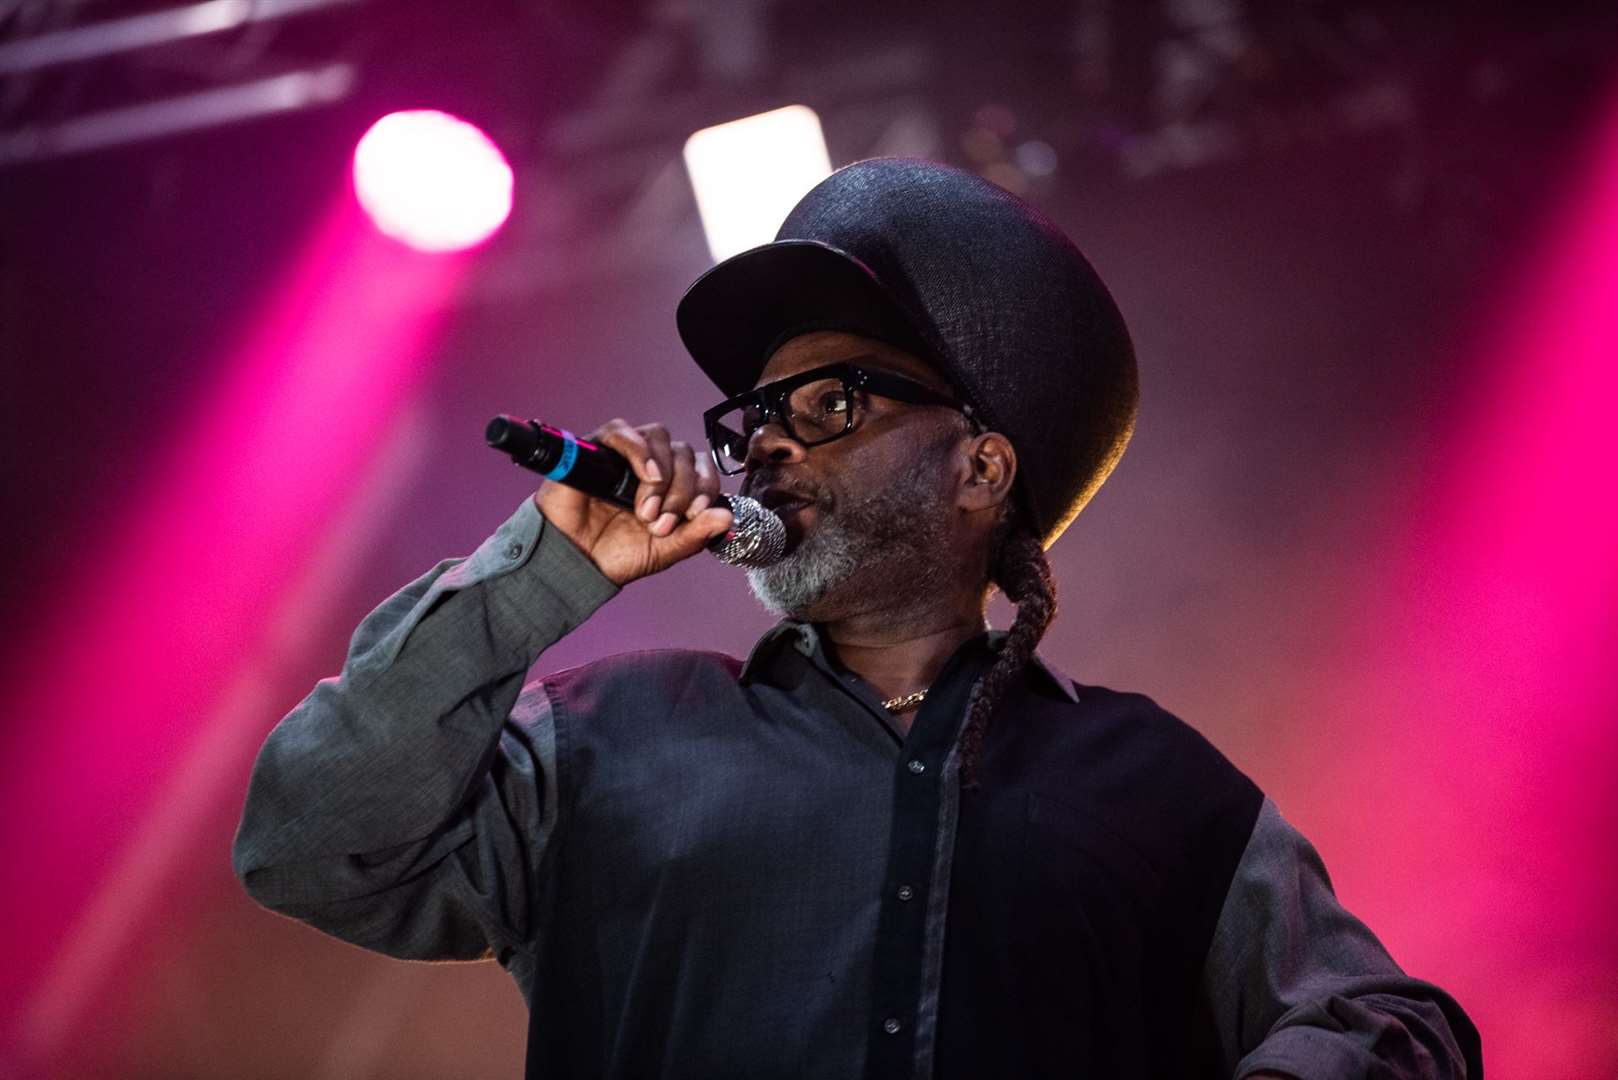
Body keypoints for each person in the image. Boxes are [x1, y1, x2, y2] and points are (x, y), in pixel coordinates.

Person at [233, 158, 1482, 1078]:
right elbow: (307, 840)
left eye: (827, 404)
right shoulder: (606, 735)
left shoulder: (1160, 785)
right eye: (752, 416)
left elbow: (1398, 1030)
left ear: (979, 469)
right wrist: (536, 576)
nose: (761, 439)